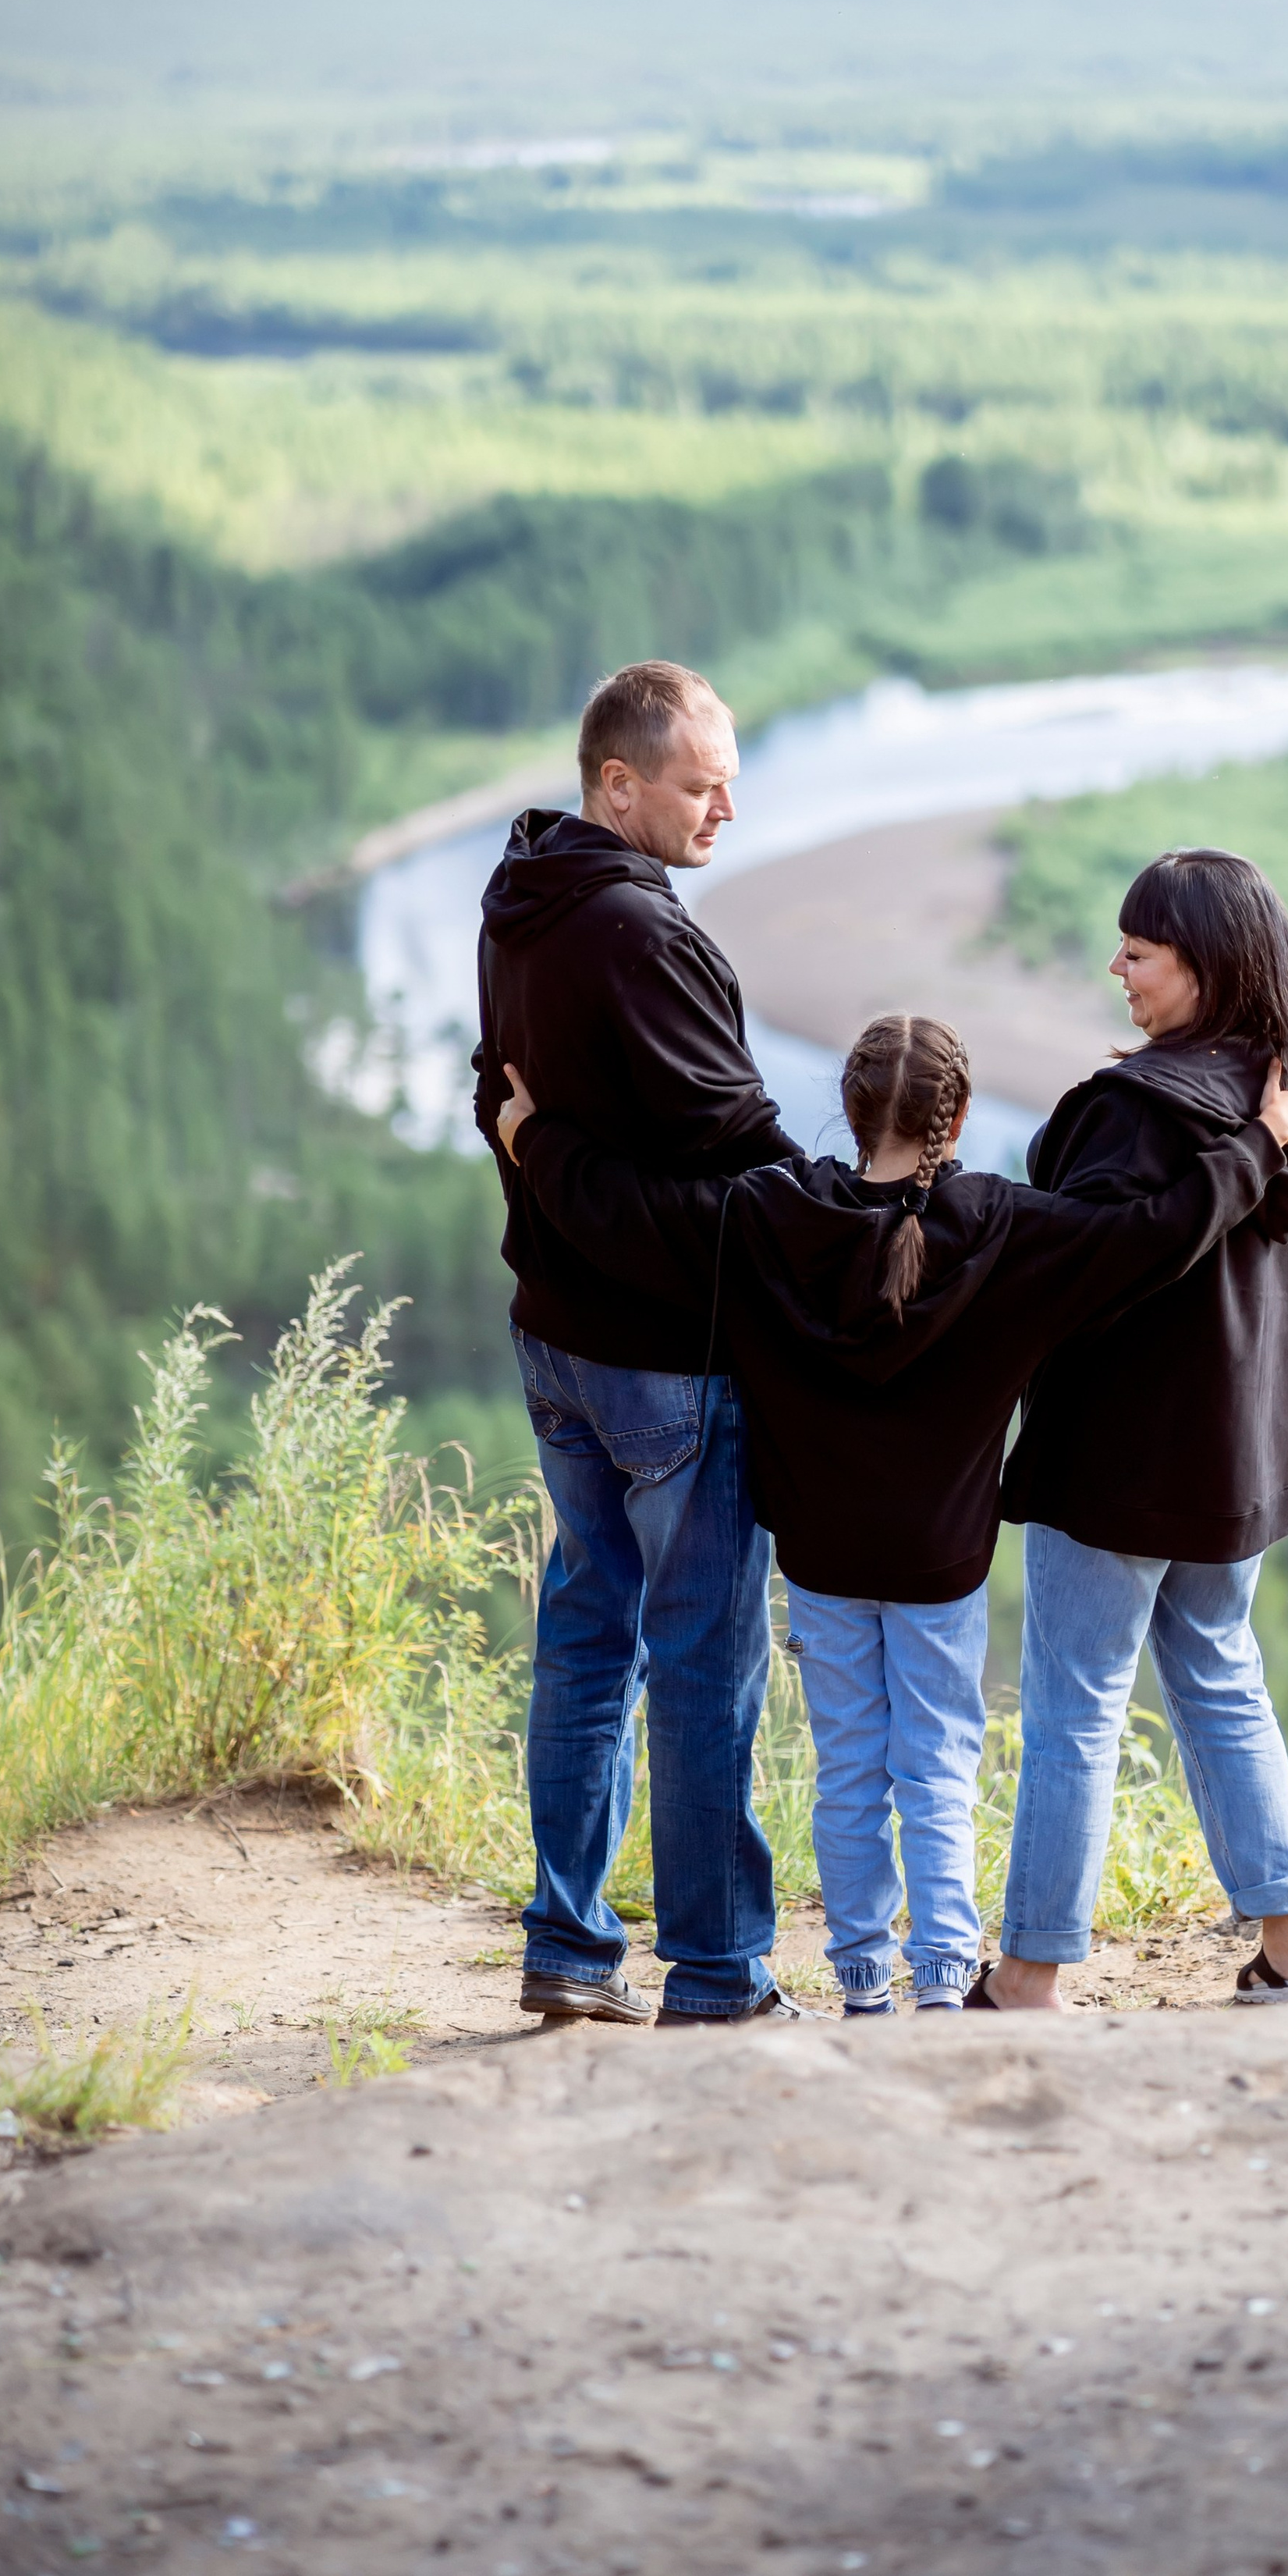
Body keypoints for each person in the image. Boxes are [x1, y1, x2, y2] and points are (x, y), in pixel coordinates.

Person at [500, 1012, 1288, 2017]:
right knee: (937, 1764)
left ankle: (860, 1989)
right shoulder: (1006, 1228)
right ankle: (941, 1982)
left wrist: (533, 1138)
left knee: (849, 1768)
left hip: (821, 1556)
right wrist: (1260, 1139)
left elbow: (632, 1214)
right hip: (943, 1564)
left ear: (847, 1111)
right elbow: (1150, 1236)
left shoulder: (769, 1213)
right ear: (962, 1115)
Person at [989, 847, 1288, 2013]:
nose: (1117, 965)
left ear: (1206, 965)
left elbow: (1080, 1263)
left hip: (1116, 1461)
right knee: (1221, 1676)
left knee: (1076, 1704)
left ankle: (1026, 1979)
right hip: (1242, 1463)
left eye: (1140, 951)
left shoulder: (1137, 1111)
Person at [472, 659, 800, 2030]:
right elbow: (750, 1163)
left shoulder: (521, 898)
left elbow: (499, 1098)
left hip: (558, 1345)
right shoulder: (641, 937)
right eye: (699, 782)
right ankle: (718, 1975)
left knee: (589, 1635)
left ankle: (568, 1945)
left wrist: (542, 1148)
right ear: (619, 782)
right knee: (705, 1653)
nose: (727, 804)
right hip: (672, 1364)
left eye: (729, 774)